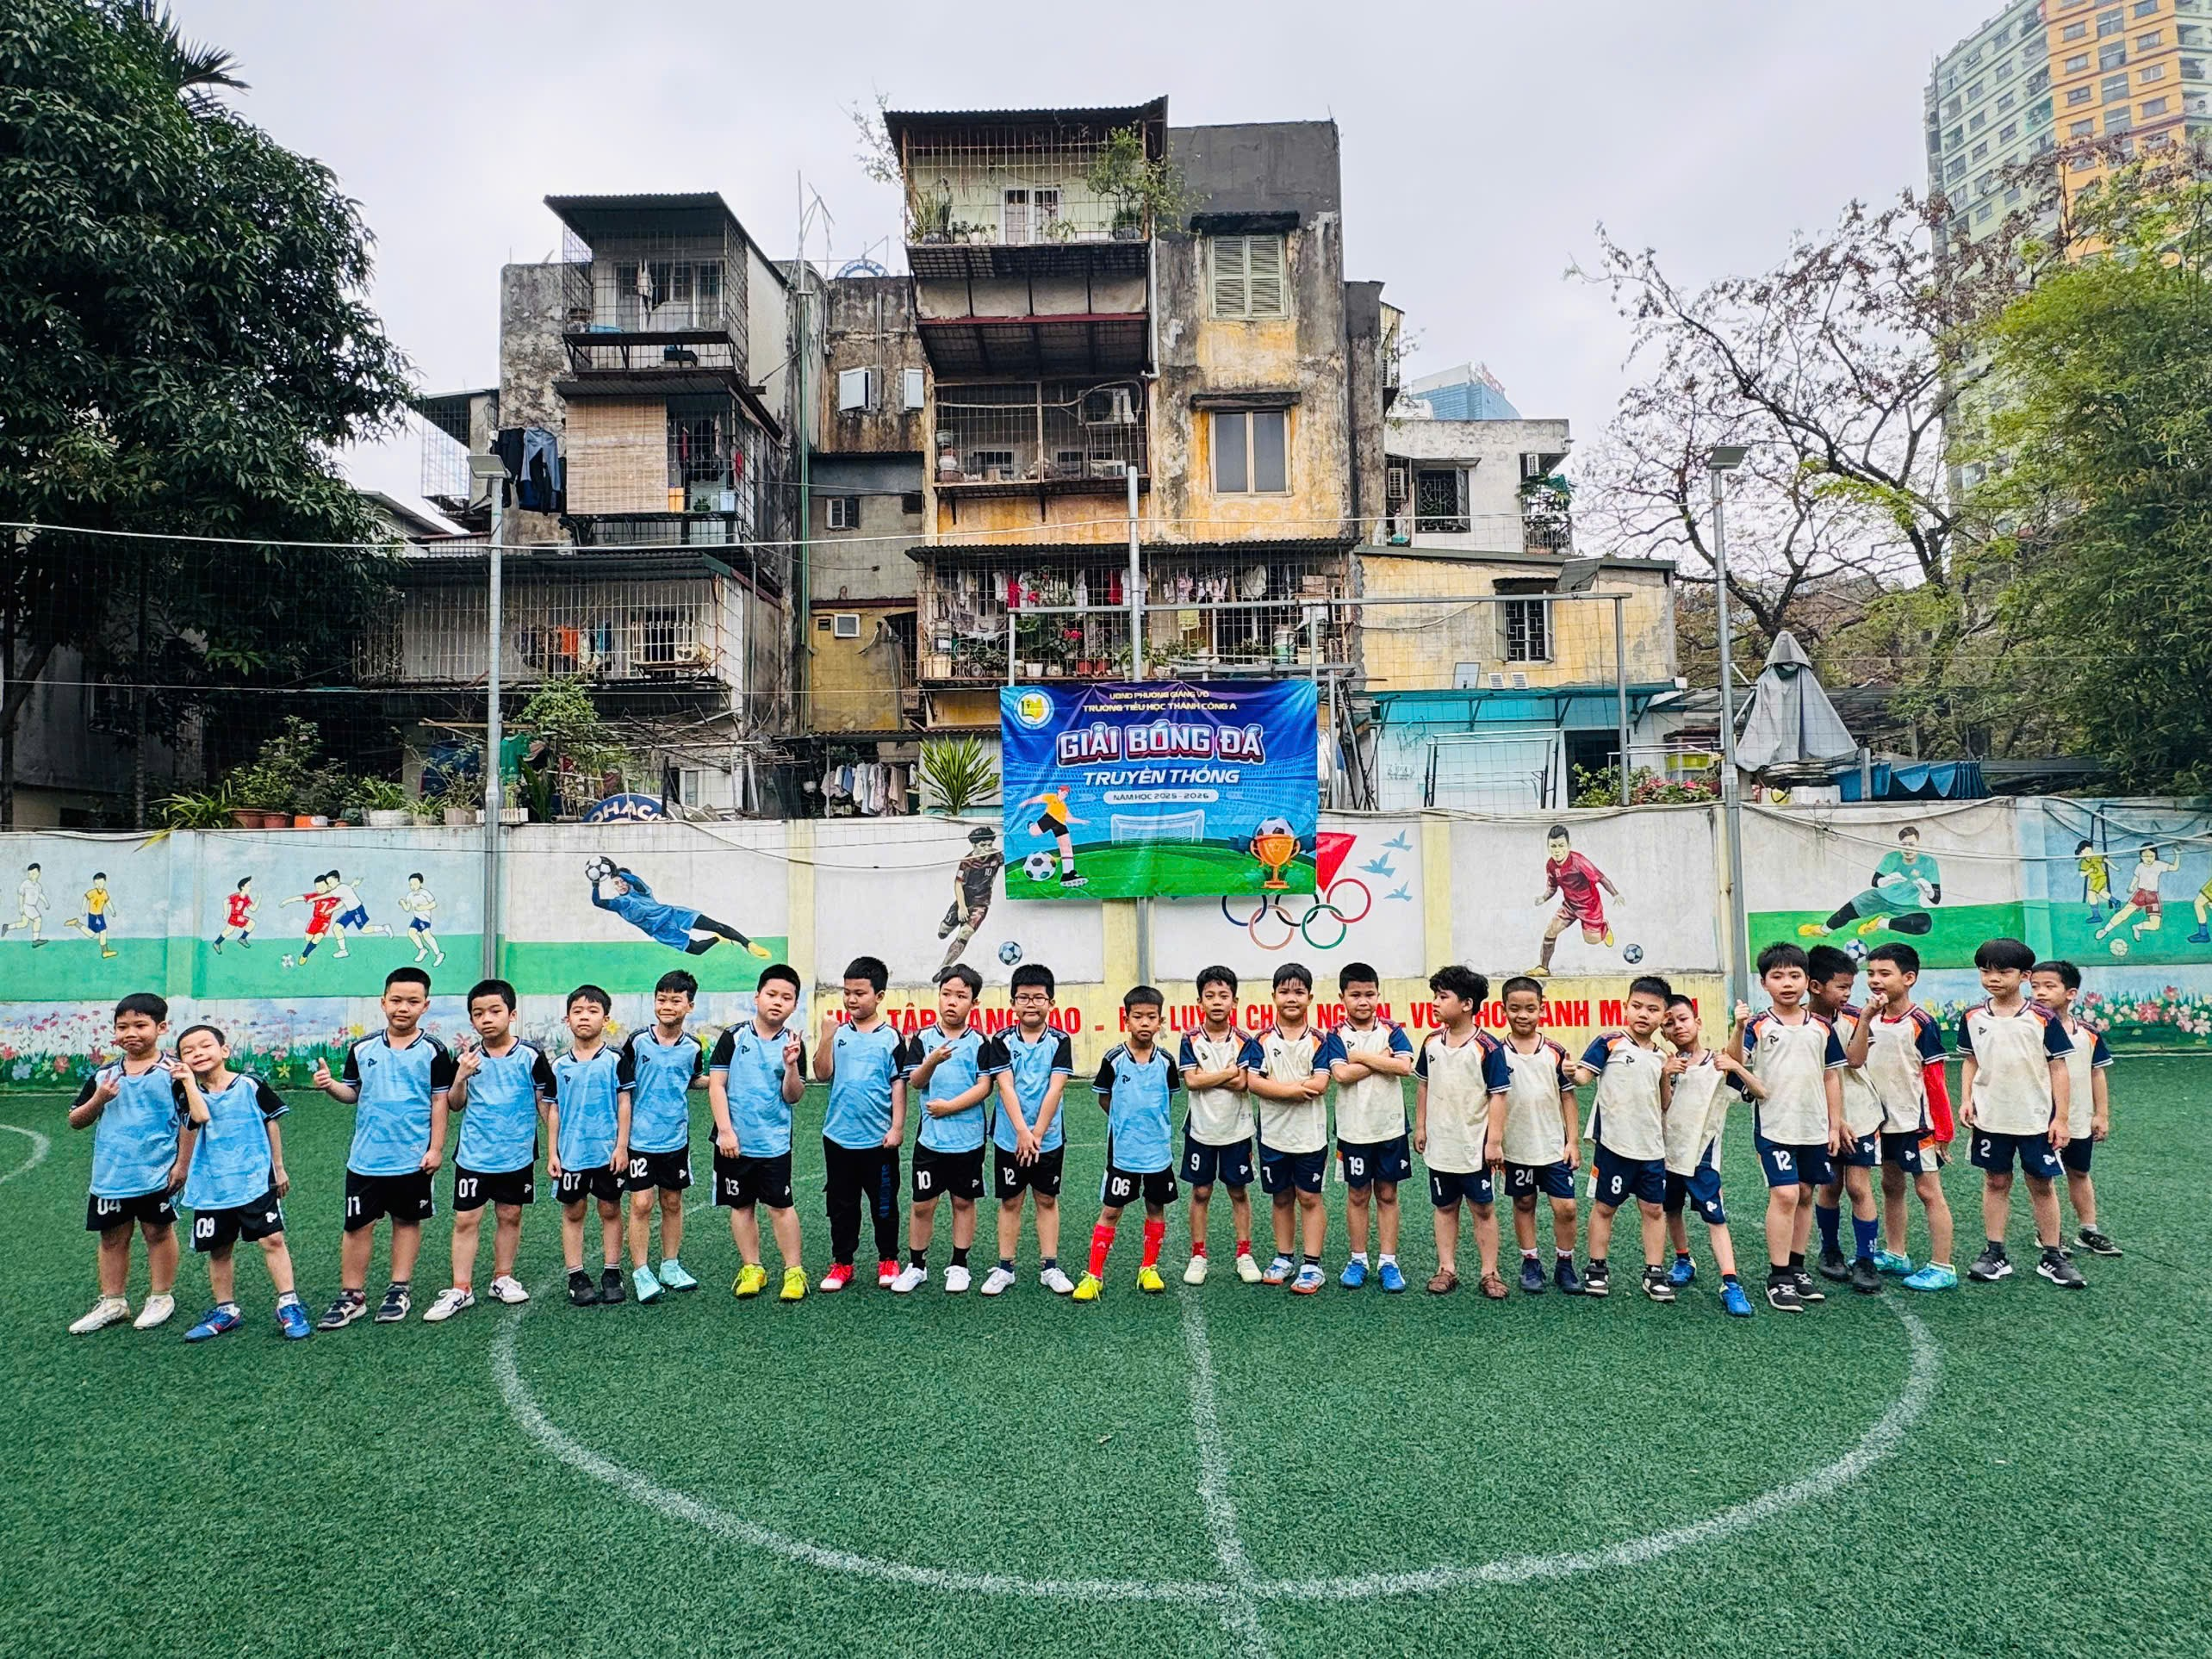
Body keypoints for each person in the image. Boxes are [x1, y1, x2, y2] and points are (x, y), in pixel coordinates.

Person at [310, 966, 455, 1327]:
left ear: (425, 1006)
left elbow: (440, 1101)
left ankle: (399, 1289)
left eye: (413, 1002)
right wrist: (330, 1085)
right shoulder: (362, 1048)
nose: (403, 1008)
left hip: (412, 1158)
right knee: (357, 1226)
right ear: (383, 1002)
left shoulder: (435, 1051)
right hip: (366, 1158)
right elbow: (352, 1093)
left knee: (406, 1222)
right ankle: (352, 1295)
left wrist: (436, 1148)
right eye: (396, 1000)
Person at [423, 979, 555, 1322]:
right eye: (478, 1013)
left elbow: (544, 1104)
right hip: (475, 1155)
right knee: (467, 1219)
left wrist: (556, 1148)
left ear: (512, 1014)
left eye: (495, 1011)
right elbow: (455, 1104)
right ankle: (461, 1288)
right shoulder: (467, 1057)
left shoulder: (531, 1056)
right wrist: (461, 1077)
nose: (487, 1019)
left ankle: (502, 1277)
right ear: (472, 1020)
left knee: (510, 1215)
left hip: (517, 1155)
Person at [1958, 938, 2084, 1289]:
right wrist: (1966, 1099)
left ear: (2024, 976)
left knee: (2042, 1184)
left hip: (2034, 1118)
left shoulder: (2042, 1017)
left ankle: (2053, 1255)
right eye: (1985, 971)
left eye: (2003, 972)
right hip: (1990, 1117)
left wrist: (2061, 1118)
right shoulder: (1972, 1016)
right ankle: (1994, 1252)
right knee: (1995, 1181)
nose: (1993, 978)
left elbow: (2058, 1068)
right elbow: (1970, 1060)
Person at [171, 1023, 309, 1341]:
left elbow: (271, 1123)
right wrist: (189, 1082)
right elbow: (200, 1117)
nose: (197, 1053)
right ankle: (226, 1310)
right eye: (188, 1051)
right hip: (212, 1184)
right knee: (219, 1249)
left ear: (224, 1050)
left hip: (253, 1177)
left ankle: (289, 1304)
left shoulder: (250, 1084)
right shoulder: (185, 1092)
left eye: (205, 1046)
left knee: (272, 1239)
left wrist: (278, 1168)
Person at [66, 991, 195, 1333]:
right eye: (122, 1027)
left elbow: (190, 1120)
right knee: (111, 1237)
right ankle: (113, 1301)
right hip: (111, 1175)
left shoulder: (174, 1073)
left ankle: (161, 1296)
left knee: (157, 1232)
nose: (131, 1033)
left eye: (140, 1025)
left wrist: (182, 1166)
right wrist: (99, 1098)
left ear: (161, 1028)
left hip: (157, 1173)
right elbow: (76, 1120)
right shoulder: (104, 1076)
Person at [1730, 942, 1846, 1313]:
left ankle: (1797, 1267)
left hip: (1813, 1127)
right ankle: (1778, 1275)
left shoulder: (1822, 1027)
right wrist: (1738, 1028)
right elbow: (1734, 1063)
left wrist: (1834, 1125)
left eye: (1794, 975)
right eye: (1777, 976)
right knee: (1785, 1194)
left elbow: (1831, 1077)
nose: (1787, 983)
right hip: (1775, 1126)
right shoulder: (1758, 1025)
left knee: (1806, 1194)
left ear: (1807, 981)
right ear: (1763, 983)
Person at [1848, 943, 1959, 1293]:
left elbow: (1935, 1080)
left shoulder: (1920, 1023)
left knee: (1928, 1191)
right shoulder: (1867, 1018)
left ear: (1909, 978)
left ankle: (1943, 1265)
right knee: (1891, 1185)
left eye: (1885, 973)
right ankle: (1897, 1253)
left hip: (1916, 1124)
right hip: (1881, 1124)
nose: (1875, 980)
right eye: (1871, 974)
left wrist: (1943, 1131)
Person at [1571, 976, 1679, 1303]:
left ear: (1664, 1016)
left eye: (1652, 1009)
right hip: (1614, 1145)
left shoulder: (1662, 1056)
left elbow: (1664, 1103)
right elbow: (1583, 1077)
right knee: (1605, 1207)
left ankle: (1654, 1272)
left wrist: (1666, 1074)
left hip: (1651, 1147)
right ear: (1625, 1007)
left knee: (1654, 1209)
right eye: (1637, 1006)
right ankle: (1596, 1267)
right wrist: (1570, 1071)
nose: (1643, 1014)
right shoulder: (1609, 1042)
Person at [707, 964, 810, 1304]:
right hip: (734, 1143)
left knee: (781, 1206)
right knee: (741, 1206)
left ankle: (793, 1271)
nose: (777, 1002)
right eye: (771, 994)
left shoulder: (794, 1043)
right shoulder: (733, 1037)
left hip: (774, 1142)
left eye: (786, 997)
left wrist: (791, 1065)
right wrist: (726, 1131)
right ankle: (752, 1268)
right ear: (757, 997)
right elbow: (717, 1086)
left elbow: (793, 1096)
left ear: (794, 1004)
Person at [1073, 985, 1182, 1302]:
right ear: (1127, 1020)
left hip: (1157, 1153)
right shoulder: (1114, 1059)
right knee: (1111, 1210)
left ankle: (1149, 1268)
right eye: (1138, 1017)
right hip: (1123, 1153)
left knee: (1156, 1207)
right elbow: (1104, 1099)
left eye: (1151, 1017)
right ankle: (1094, 1275)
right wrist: (1125, 1121)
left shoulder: (1166, 1061)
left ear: (1161, 1021)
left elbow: (1167, 1099)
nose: (1145, 1023)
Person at [1656, 995, 1759, 1318]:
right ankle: (1683, 1258)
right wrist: (1664, 1074)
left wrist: (1739, 1028)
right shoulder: (1664, 1064)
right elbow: (1661, 1105)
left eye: (1683, 1019)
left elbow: (1738, 1065)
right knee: (1670, 1209)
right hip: (1665, 1154)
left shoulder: (1717, 1062)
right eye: (1669, 1023)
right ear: (1663, 1032)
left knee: (1716, 1218)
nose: (1678, 1026)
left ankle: (1731, 1283)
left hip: (1702, 1157)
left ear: (1697, 1022)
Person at [1413, 966, 1512, 1298]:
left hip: (1475, 1145)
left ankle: (1490, 1272)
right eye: (1435, 996)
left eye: (1443, 997)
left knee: (1483, 1208)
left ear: (1467, 1004)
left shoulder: (1487, 1047)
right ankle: (1447, 1269)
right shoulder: (1431, 1043)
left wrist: (1494, 1141)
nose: (1435, 1003)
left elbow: (1498, 1096)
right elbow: (1423, 1085)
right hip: (1441, 1143)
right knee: (1444, 1206)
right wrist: (1421, 1126)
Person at [894, 964, 993, 1294]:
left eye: (961, 996)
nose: (952, 1001)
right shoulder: (923, 1039)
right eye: (946, 994)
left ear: (974, 1003)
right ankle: (917, 1266)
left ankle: (959, 1265)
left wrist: (950, 1107)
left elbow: (984, 1087)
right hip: (931, 1142)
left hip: (968, 1142)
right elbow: (915, 1081)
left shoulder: (980, 1042)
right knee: (923, 1204)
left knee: (963, 1203)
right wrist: (932, 1061)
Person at [1318, 961, 1415, 1291]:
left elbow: (1404, 1067)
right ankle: (1358, 1259)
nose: (1363, 1001)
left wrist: (1360, 1057)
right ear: (1342, 997)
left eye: (1369, 994)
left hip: (1390, 1128)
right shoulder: (1335, 1034)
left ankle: (1388, 1262)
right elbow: (1341, 1075)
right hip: (1354, 1130)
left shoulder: (1392, 1029)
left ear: (1378, 995)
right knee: (1358, 1194)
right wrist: (1382, 1059)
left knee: (1388, 1194)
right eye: (1355, 994)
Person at [979, 962, 1075, 1296]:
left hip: (1047, 1138)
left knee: (1046, 1199)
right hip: (1010, 1138)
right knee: (1010, 1201)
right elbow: (1005, 1086)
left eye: (1038, 998)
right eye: (1023, 998)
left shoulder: (1060, 1040)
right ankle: (1005, 1268)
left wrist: (1036, 1134)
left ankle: (1050, 1267)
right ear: (1012, 1003)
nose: (1031, 1004)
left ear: (1051, 1002)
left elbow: (1056, 1088)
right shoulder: (1001, 1040)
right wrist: (1022, 1132)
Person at [813, 955, 908, 1291]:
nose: (851, 999)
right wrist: (826, 1038)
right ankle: (842, 1263)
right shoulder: (837, 1034)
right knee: (841, 1206)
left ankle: (888, 1259)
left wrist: (897, 1127)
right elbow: (821, 1073)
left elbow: (899, 1085)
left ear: (879, 996)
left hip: (879, 1140)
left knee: (884, 1204)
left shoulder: (891, 1038)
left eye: (859, 993)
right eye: (847, 992)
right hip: (838, 1137)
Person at [618, 970, 706, 1304]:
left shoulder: (693, 1047)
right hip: (640, 1139)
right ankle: (641, 1271)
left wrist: (723, 1081)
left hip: (675, 1138)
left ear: (690, 1005)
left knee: (672, 1202)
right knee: (641, 1203)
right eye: (662, 999)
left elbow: (692, 1079)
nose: (667, 1006)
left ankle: (670, 1265)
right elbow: (622, 1085)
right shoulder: (637, 1041)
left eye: (675, 1000)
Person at [1805, 945, 1886, 1296]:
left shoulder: (1853, 1016)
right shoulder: (1800, 1022)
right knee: (1830, 1186)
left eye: (1850, 986)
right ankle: (1830, 1250)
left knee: (1858, 1186)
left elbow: (1854, 1060)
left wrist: (1865, 1018)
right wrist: (1831, 1121)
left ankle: (1866, 1258)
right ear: (1815, 986)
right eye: (1841, 986)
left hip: (1860, 1114)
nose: (1847, 993)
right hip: (1819, 1118)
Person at [1494, 975, 1582, 1296]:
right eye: (1515, 1008)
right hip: (1515, 1146)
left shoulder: (1555, 1052)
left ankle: (1565, 1263)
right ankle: (1530, 1262)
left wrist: (1572, 1141)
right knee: (1524, 1202)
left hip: (1553, 1146)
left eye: (1530, 1009)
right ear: (1503, 1010)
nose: (1523, 1015)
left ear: (1542, 1010)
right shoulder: (1496, 1052)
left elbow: (1568, 1097)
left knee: (1566, 1208)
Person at [1246, 961, 1332, 1293]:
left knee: (1309, 1197)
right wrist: (1296, 1090)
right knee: (1281, 1197)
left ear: (1310, 997)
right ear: (1274, 997)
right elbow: (1254, 1083)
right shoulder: (1261, 1040)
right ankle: (1284, 1257)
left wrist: (1277, 1087)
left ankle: (1312, 1265)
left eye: (1298, 992)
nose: (1291, 998)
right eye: (1284, 992)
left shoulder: (1320, 1040)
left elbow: (1320, 1084)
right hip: (1272, 1135)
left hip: (1310, 1136)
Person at [1177, 965, 1264, 1286]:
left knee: (1238, 1191)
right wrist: (1228, 1072)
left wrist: (1210, 1076)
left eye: (1223, 996)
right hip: (1201, 1130)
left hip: (1236, 1130)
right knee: (1201, 1192)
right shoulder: (1189, 1039)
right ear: (1199, 1002)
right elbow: (1192, 1082)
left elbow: (1243, 1083)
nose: (1216, 1002)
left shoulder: (1245, 1040)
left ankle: (1244, 1254)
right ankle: (1198, 1256)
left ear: (1234, 1001)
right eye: (1210, 996)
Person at [546, 984, 632, 1308]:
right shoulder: (558, 1066)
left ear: (605, 1019)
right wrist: (553, 1152)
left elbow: (624, 1104)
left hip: (607, 1153)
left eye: (593, 1011)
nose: (585, 1017)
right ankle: (577, 1276)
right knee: (574, 1211)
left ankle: (612, 1272)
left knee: (610, 1208)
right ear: (567, 1019)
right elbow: (554, 1110)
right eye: (578, 1011)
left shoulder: (615, 1060)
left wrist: (621, 1147)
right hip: (571, 1154)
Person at [2029, 959, 2121, 1259]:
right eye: (2035, 986)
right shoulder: (2030, 1029)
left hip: (2079, 1118)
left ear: (2071, 993)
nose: (2040, 992)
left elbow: (2097, 1073)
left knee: (2079, 1172)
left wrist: (2101, 1114)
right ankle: (2049, 1234)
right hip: (2041, 1119)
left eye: (2049, 986)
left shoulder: (2088, 1033)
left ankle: (2088, 1230)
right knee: (2043, 1178)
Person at [590, 862, 771, 958]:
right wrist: (595, 883)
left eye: (623, 881)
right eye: (617, 883)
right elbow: (597, 902)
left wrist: (618, 871)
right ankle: (718, 938)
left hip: (673, 915)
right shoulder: (618, 904)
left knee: (716, 925)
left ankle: (748, 944)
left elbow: (635, 881)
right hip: (661, 931)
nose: (621, 885)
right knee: (697, 950)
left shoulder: (641, 890)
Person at [1797, 825, 1942, 941]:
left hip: (1907, 905)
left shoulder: (1928, 863)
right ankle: (1823, 930)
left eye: (1911, 844)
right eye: (1904, 845)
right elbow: (1875, 882)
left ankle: (1880, 923)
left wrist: (1928, 891)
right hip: (1879, 897)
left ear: (1918, 844)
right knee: (1846, 912)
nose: (1908, 849)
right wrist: (1887, 880)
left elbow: (1936, 899)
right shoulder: (1891, 858)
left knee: (1924, 924)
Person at [1530, 825, 1621, 978]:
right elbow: (1552, 888)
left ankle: (1603, 927)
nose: (1557, 850)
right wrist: (1543, 897)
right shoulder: (1551, 865)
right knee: (1551, 930)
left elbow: (1601, 878)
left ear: (1568, 846)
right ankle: (1543, 968)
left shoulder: (1579, 862)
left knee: (1592, 940)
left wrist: (1615, 894)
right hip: (1570, 905)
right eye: (1553, 846)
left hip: (1590, 906)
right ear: (1548, 847)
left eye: (1561, 846)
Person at [936, 825, 1003, 976]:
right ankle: (944, 930)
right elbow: (958, 884)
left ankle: (944, 966)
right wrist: (961, 907)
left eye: (989, 844)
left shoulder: (997, 857)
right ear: (974, 845)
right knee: (944, 930)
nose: (987, 848)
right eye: (983, 845)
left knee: (965, 933)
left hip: (981, 903)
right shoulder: (968, 862)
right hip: (965, 901)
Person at [2095, 844, 2178, 944]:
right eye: (2145, 856)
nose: (2148, 859)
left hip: (2153, 897)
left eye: (2151, 856)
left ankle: (2137, 927)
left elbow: (2175, 868)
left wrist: (2177, 855)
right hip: (2141, 894)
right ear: (2141, 856)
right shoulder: (2140, 866)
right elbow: (2136, 877)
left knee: (2155, 925)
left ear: (2155, 855)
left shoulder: (2159, 865)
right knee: (2123, 914)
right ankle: (2105, 930)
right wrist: (2131, 887)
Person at [1015, 785, 1086, 887]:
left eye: (1066, 794)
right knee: (1034, 832)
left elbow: (1069, 818)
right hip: (1048, 819)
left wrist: (1081, 821)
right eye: (1063, 792)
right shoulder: (1052, 797)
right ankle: (1030, 825)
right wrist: (1026, 802)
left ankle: (1068, 874)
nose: (1065, 795)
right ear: (1059, 791)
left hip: (1060, 824)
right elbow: (1038, 799)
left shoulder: (1063, 806)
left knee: (1067, 847)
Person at [279, 873, 343, 970]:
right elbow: (300, 898)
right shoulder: (315, 895)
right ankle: (309, 945)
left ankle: (304, 955)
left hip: (325, 922)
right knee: (308, 938)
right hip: (315, 920)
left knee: (318, 938)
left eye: (322, 886)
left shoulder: (334, 895)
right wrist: (285, 902)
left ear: (328, 885)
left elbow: (345, 894)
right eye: (318, 887)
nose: (320, 889)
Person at [64, 871, 120, 959]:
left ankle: (76, 923)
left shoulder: (104, 893)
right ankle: (105, 952)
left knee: (92, 934)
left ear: (105, 882)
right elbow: (85, 898)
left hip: (99, 915)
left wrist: (112, 911)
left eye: (101, 883)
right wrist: (82, 909)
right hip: (94, 916)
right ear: (94, 884)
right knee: (103, 931)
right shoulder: (93, 892)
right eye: (96, 884)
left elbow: (107, 902)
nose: (99, 885)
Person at [397, 873, 445, 967]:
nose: (413, 886)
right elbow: (407, 909)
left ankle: (439, 954)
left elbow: (434, 904)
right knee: (411, 933)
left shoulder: (425, 893)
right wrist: (402, 903)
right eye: (411, 884)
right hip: (417, 918)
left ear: (421, 883)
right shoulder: (410, 895)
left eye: (415, 883)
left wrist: (422, 908)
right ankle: (422, 949)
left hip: (424, 919)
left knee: (427, 935)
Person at [0, 860, 47, 943]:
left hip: (32, 907)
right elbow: (21, 894)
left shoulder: (38, 886)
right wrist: (21, 907)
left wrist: (46, 903)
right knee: (38, 919)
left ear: (39, 873)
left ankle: (7, 927)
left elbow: (40, 895)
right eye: (29, 874)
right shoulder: (26, 883)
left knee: (24, 924)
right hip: (27, 906)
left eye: (33, 874)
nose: (31, 876)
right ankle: (35, 940)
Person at [210, 877, 257, 953]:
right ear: (242, 887)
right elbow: (225, 901)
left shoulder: (246, 898)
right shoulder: (236, 896)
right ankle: (217, 943)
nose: (250, 887)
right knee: (229, 931)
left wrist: (258, 899)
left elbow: (253, 909)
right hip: (234, 917)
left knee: (251, 923)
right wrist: (225, 913)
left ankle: (241, 939)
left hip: (240, 917)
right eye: (248, 886)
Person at [2075, 839, 2114, 924]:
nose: (2090, 853)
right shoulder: (2083, 862)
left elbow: (2105, 860)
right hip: (2094, 880)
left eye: (2091, 851)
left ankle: (2097, 916)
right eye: (2087, 852)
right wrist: (2089, 871)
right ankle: (2116, 902)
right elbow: (2082, 874)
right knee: (2102, 893)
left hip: (2101, 877)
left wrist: (2115, 867)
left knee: (2091, 893)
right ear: (2081, 853)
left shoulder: (2095, 857)